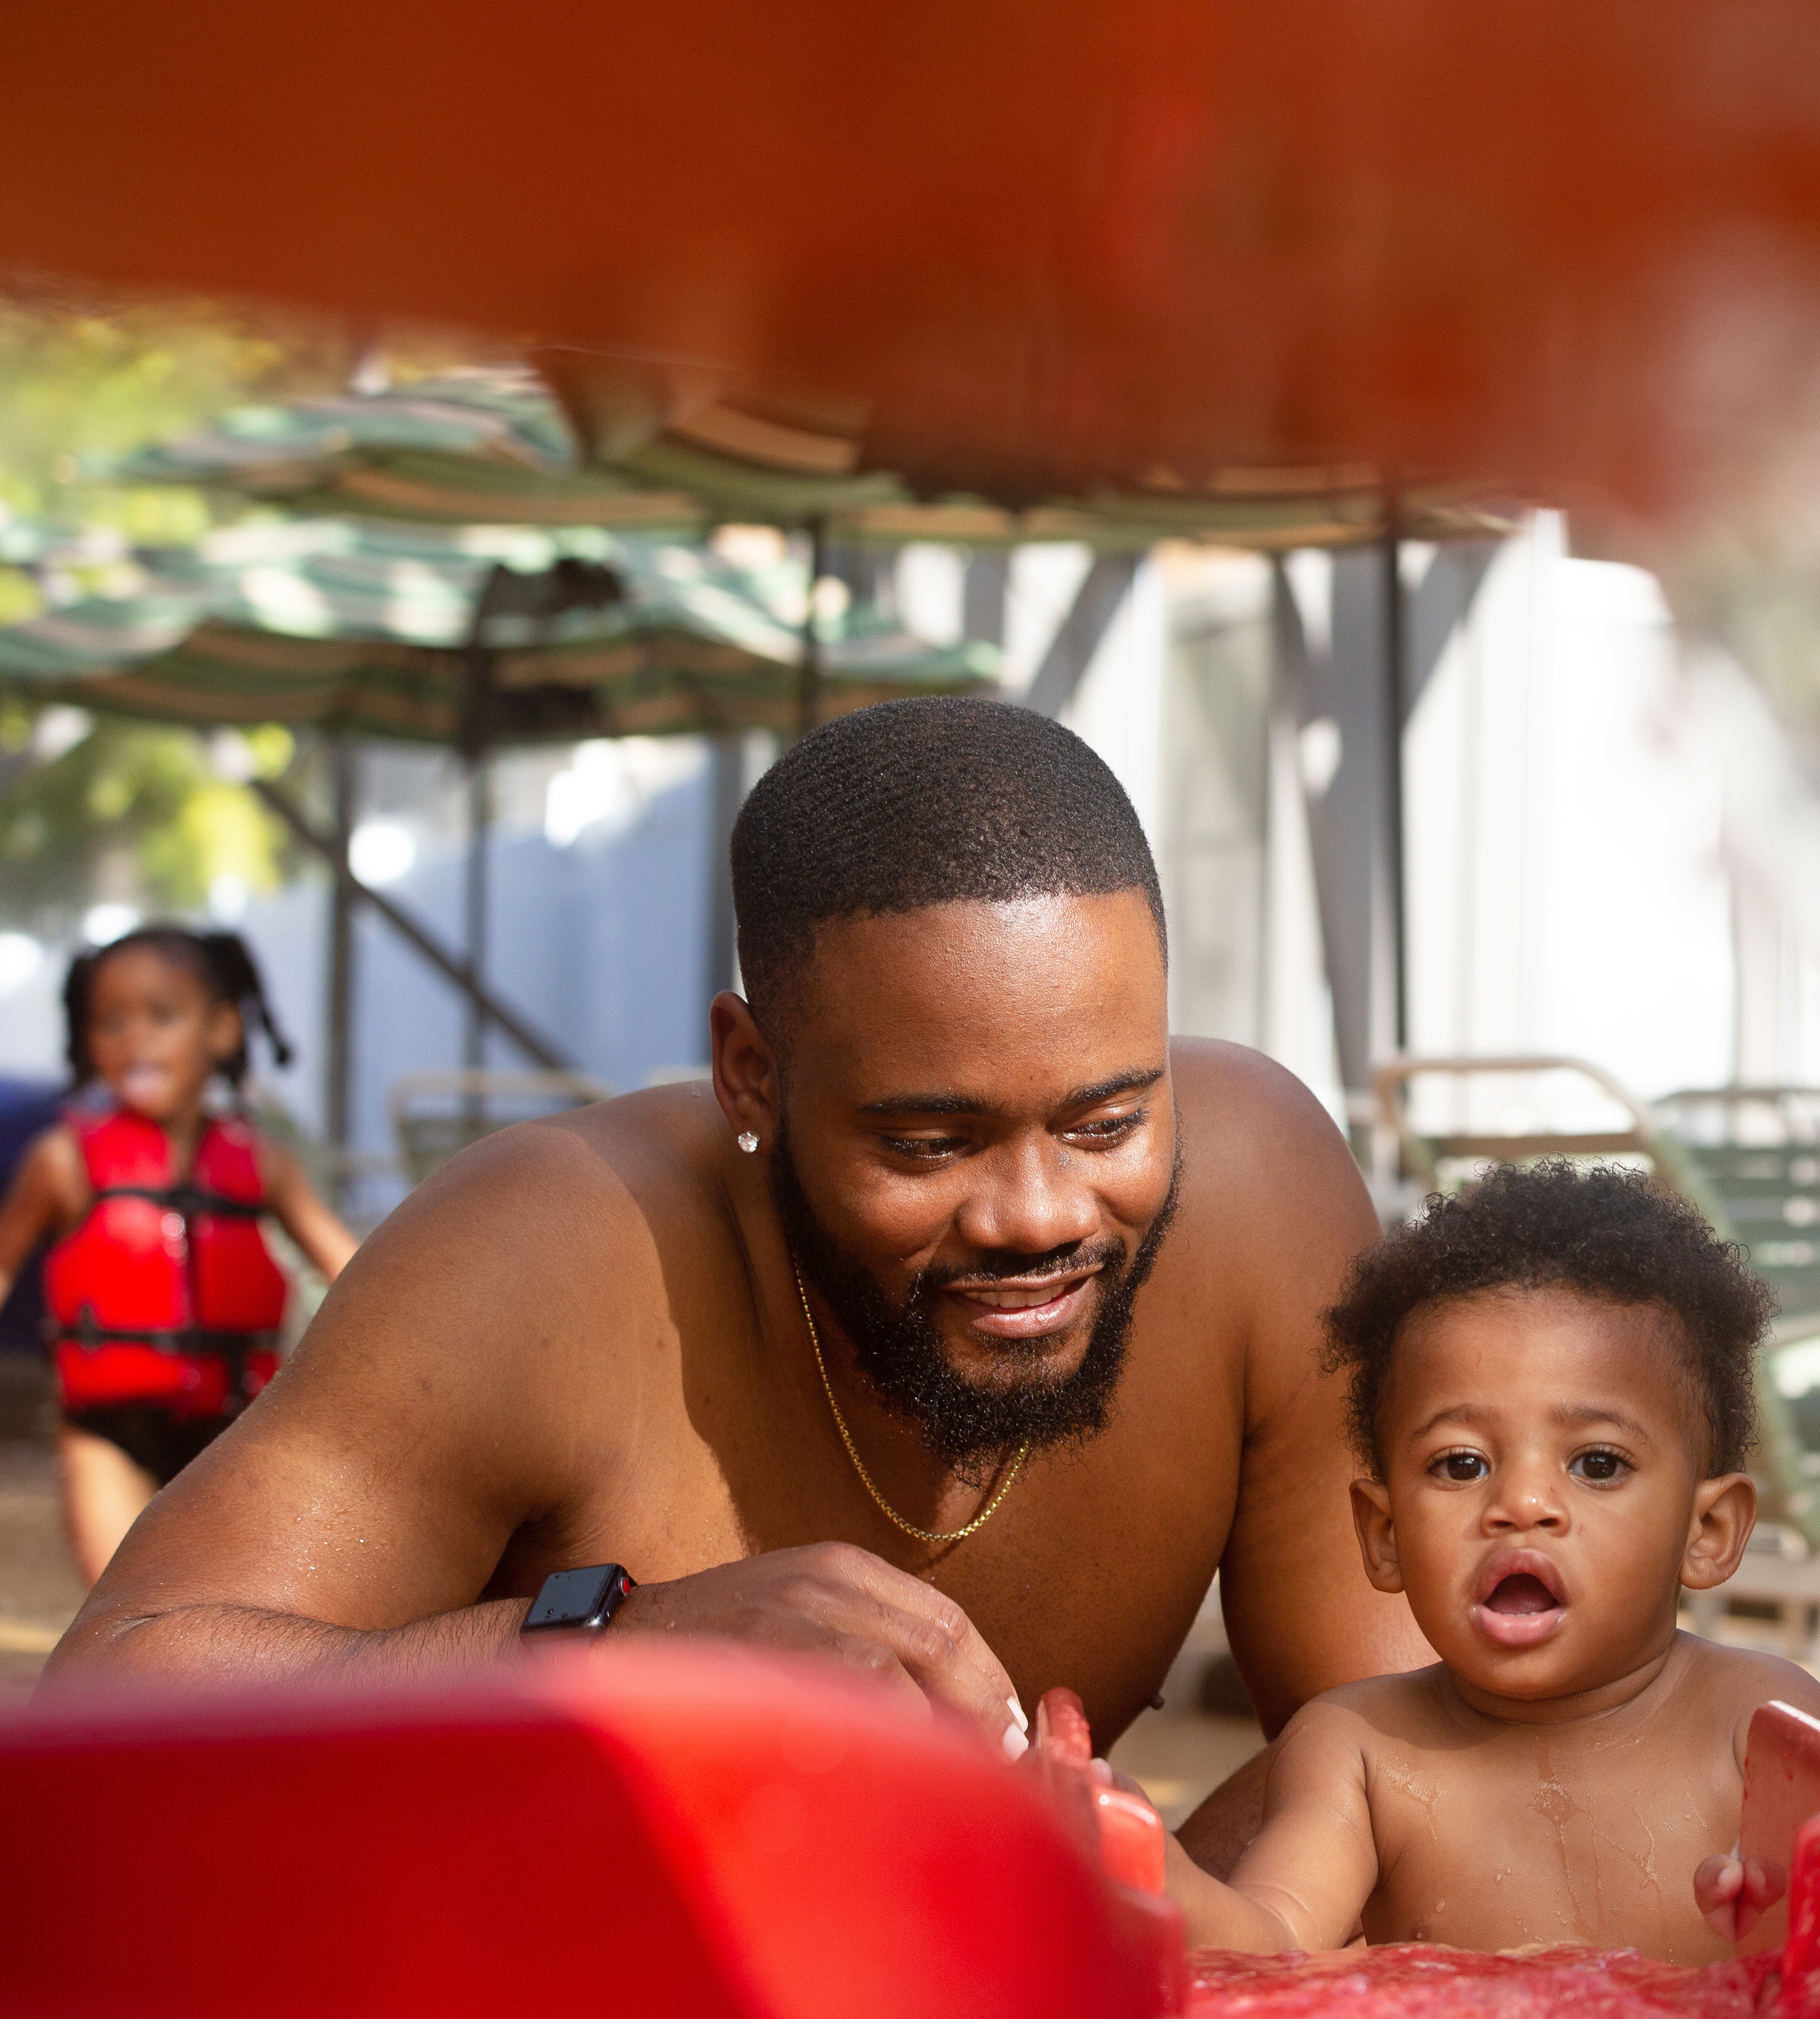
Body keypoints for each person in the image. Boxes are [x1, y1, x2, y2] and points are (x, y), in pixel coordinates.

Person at [44, 698, 1429, 1870]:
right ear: (750, 1074)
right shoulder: (555, 1255)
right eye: (930, 1143)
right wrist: (600, 1653)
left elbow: (1430, 1769)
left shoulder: (1256, 1204)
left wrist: (1124, 1911)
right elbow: (108, 1718)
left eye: (1110, 1122)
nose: (1037, 1214)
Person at [1165, 1162, 1820, 1961]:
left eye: (1596, 1464)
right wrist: (1157, 1877)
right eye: (1461, 1464)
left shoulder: (1764, 1727)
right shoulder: (1357, 1750)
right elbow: (1273, 1944)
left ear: (1709, 1531)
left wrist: (1794, 1922)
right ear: (1383, 1535)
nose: (1522, 1504)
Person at [0, 926, 357, 1585]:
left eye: (162, 1016)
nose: (134, 1037)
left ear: (221, 1031)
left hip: (232, 1434)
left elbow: (356, 1272)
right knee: (119, 1607)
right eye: (110, 1021)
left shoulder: (262, 1163)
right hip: (104, 1433)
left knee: (223, 1607)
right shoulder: (64, 1161)